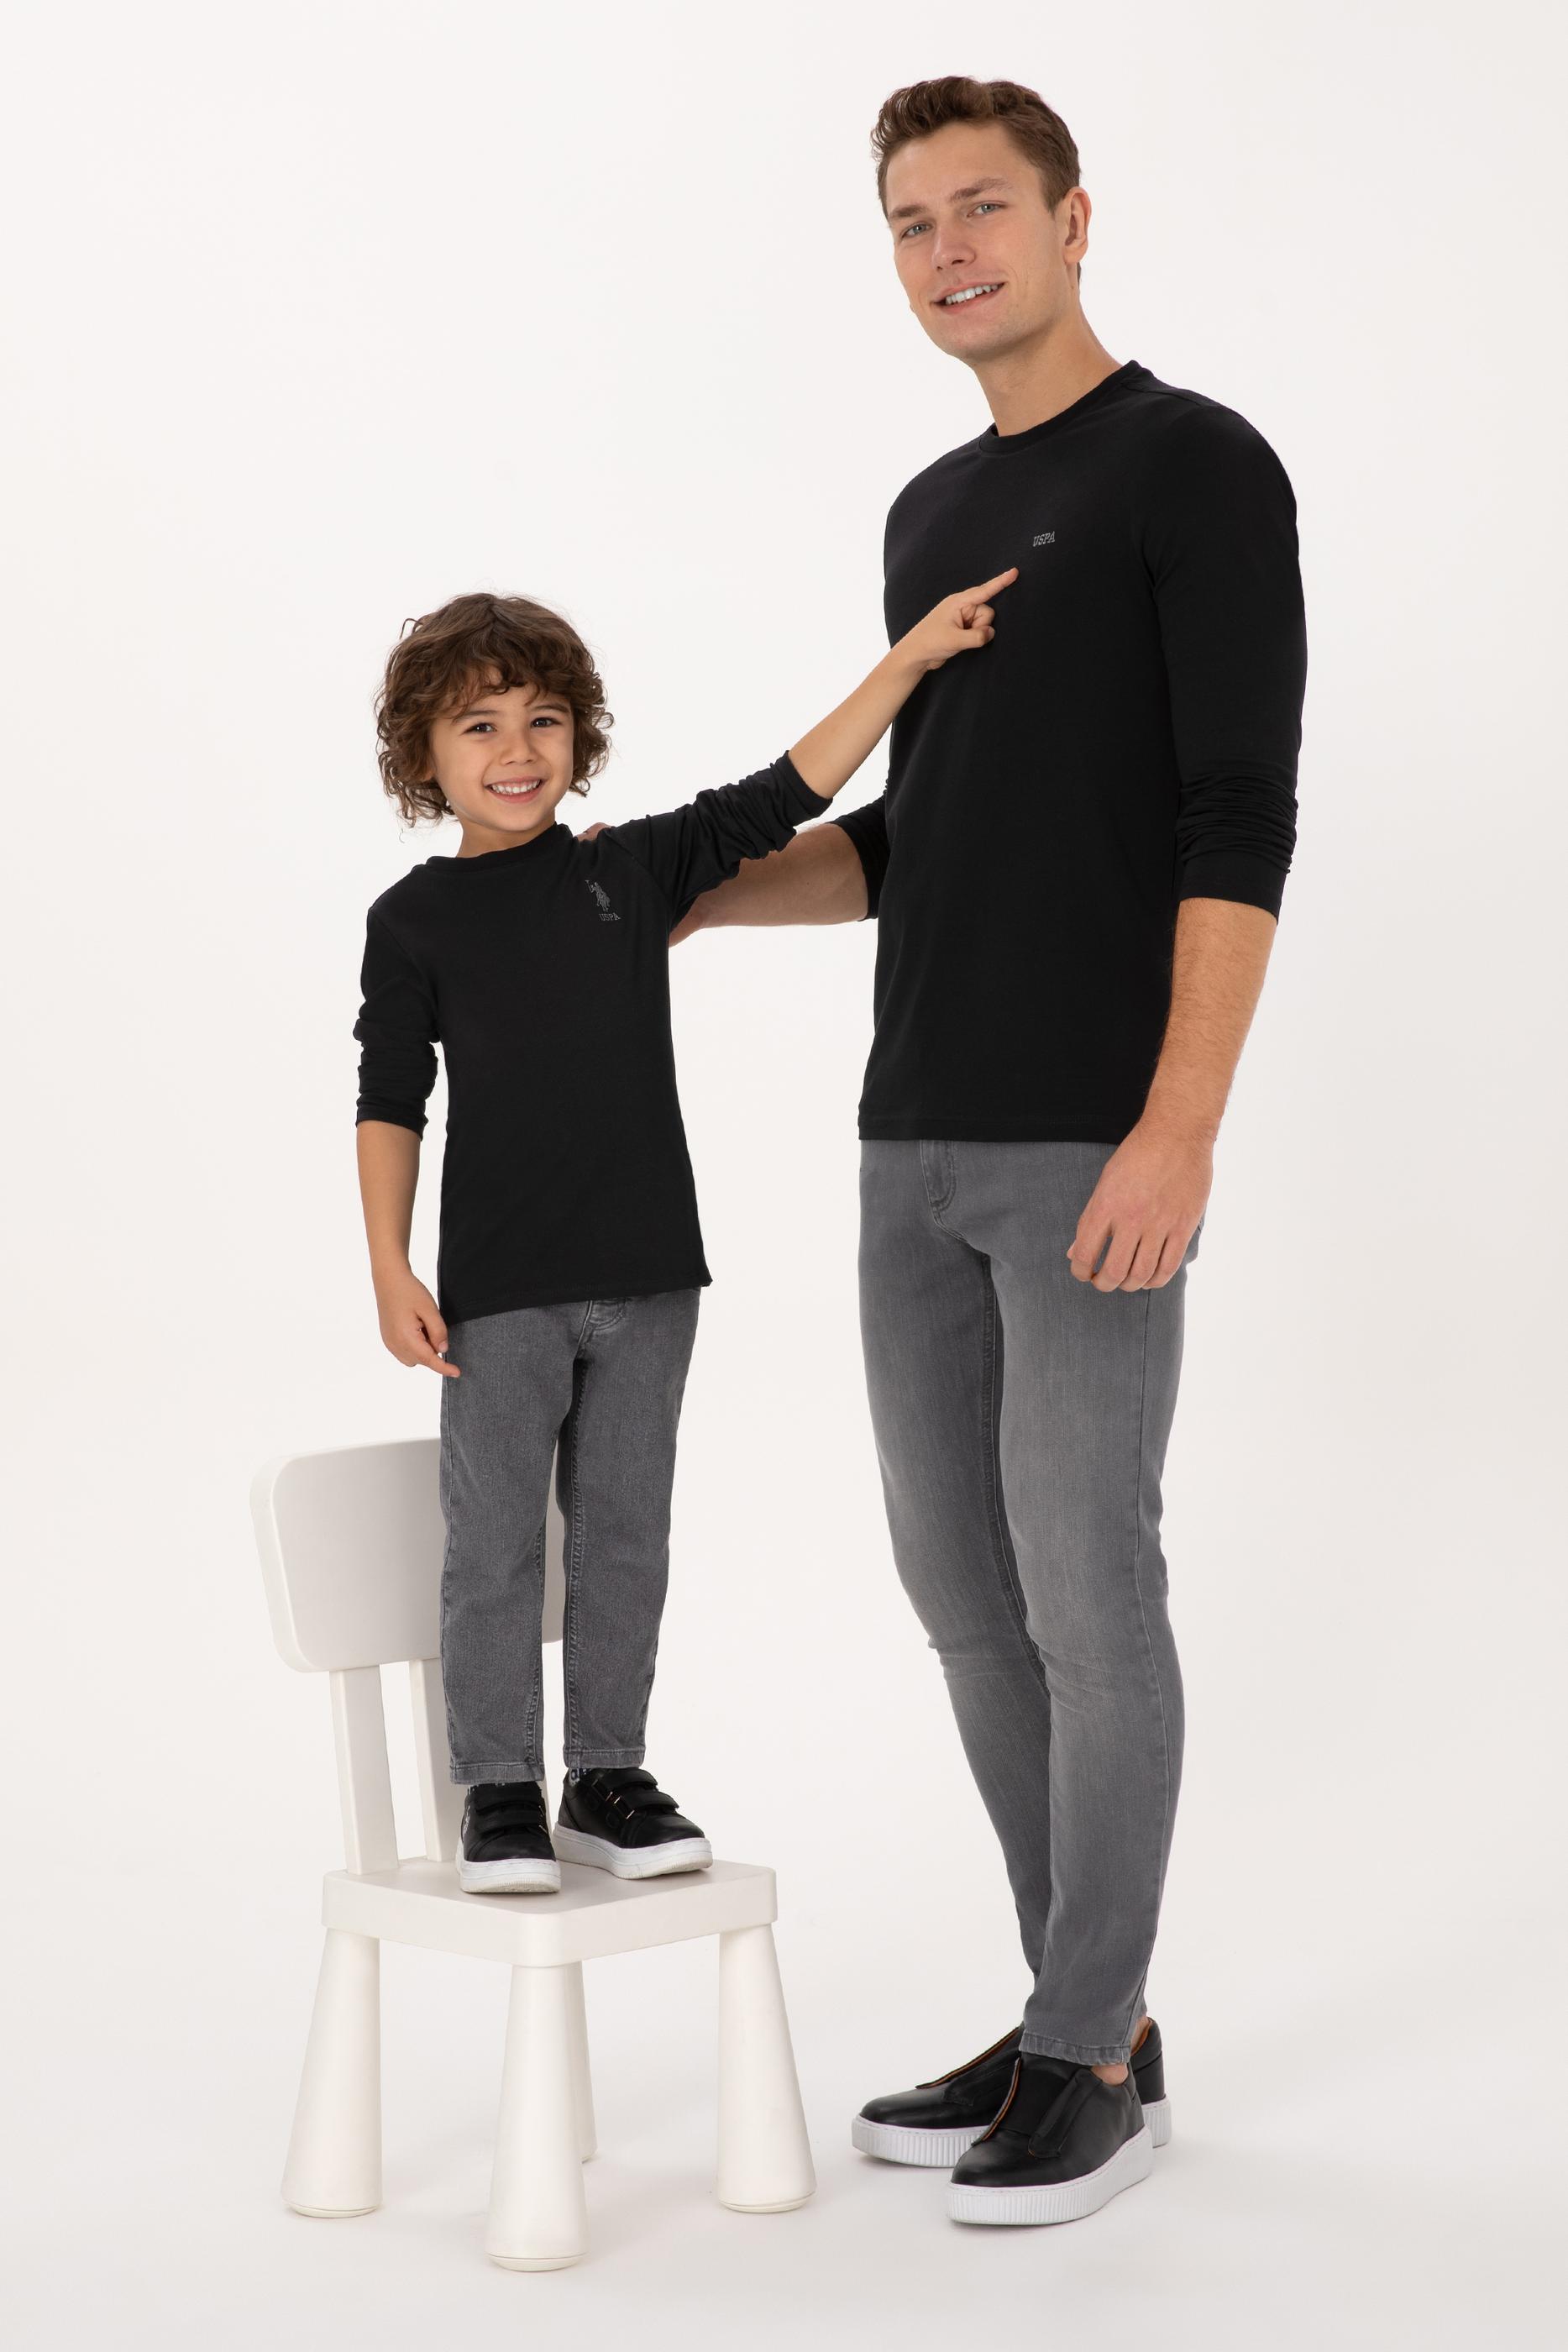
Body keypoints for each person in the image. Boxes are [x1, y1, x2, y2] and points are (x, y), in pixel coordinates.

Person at [668, 76, 1308, 2225]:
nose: (947, 249)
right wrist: (675, 895)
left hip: (1087, 1146)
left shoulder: (1192, 465)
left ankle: (1085, 2048)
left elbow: (1236, 814)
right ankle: (1080, 2012)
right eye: (910, 222)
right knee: (964, 1596)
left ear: (1071, 218)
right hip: (908, 1144)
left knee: (1087, 1589)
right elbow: (911, 840)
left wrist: (1179, 1125)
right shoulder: (931, 512)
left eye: (982, 208)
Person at [353, 575, 1013, 1895]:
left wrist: (909, 663)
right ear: (424, 756)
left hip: (652, 1282)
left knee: (624, 1541)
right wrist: (388, 1266)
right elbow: (390, 1097)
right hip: (500, 1293)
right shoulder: (412, 920)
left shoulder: (631, 871)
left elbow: (785, 791)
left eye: (543, 721)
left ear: (579, 738)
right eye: (480, 726)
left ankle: (607, 1774)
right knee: (495, 1549)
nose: (518, 751)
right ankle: (499, 1788)